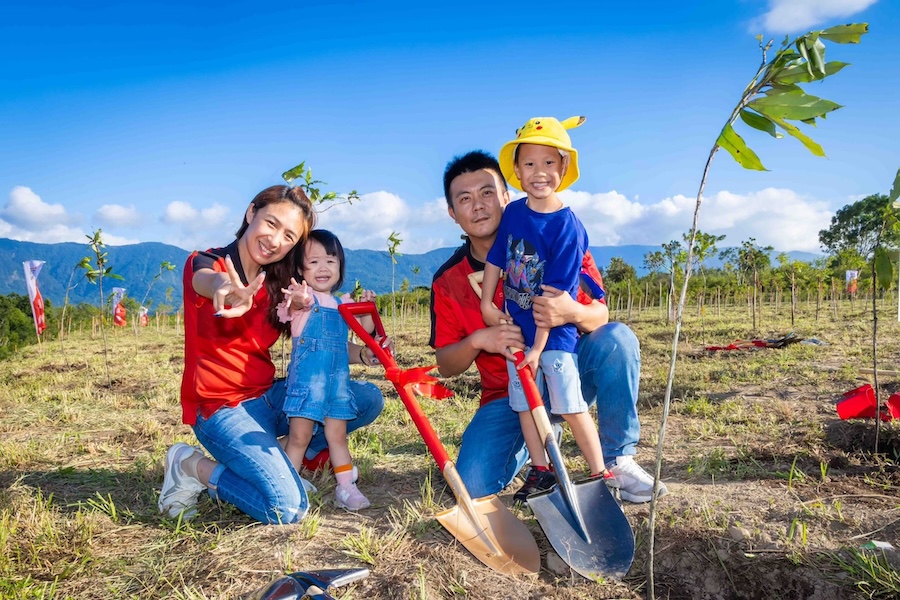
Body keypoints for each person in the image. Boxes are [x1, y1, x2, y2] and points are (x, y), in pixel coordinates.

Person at [430, 150, 668, 504]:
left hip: (565, 364)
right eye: (464, 199)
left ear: (506, 196)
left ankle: (617, 460)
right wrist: (482, 339)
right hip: (508, 398)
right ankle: (538, 451)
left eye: (487, 193)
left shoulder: (559, 235)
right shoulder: (447, 281)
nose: (478, 205)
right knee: (473, 484)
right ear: (453, 213)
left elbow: (600, 316)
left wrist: (569, 310)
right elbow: (447, 365)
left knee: (617, 339)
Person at [158, 185, 385, 524]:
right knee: (288, 508)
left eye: (289, 236)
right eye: (271, 224)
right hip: (221, 409)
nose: (276, 240)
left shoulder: (281, 285)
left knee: (367, 398)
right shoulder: (207, 263)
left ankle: (279, 452)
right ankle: (192, 467)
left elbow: (317, 340)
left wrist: (366, 354)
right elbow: (206, 280)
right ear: (251, 214)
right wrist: (225, 287)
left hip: (270, 397)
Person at [479, 116, 614, 499]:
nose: (539, 173)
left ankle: (599, 472)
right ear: (517, 172)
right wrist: (489, 304)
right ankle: (541, 470)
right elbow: (496, 259)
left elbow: (552, 298)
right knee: (525, 405)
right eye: (530, 164)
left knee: (571, 406)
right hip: (517, 336)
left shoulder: (568, 227)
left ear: (564, 167)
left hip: (553, 338)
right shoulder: (515, 214)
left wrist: (538, 348)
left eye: (549, 163)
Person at [277, 229, 376, 511]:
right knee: (299, 437)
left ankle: (346, 487)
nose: (323, 268)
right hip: (307, 385)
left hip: (337, 385)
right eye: (314, 262)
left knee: (337, 436)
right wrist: (297, 298)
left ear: (340, 267)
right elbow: (290, 308)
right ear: (300, 269)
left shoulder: (344, 304)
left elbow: (364, 333)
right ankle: (288, 487)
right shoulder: (304, 301)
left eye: (331, 261)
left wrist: (367, 311)